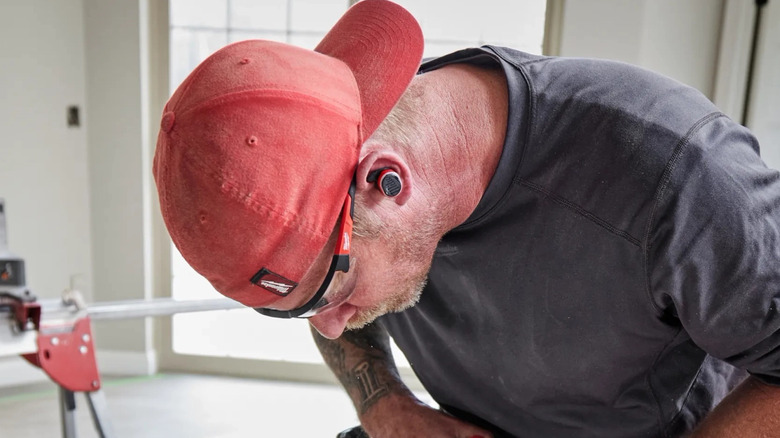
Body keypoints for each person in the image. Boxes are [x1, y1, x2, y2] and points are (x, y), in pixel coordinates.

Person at [152, 1, 780, 436]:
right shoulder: (363, 191)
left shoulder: (680, 175)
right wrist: (385, 407)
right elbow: (335, 307)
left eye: (335, 293)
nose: (334, 327)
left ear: (385, 181)